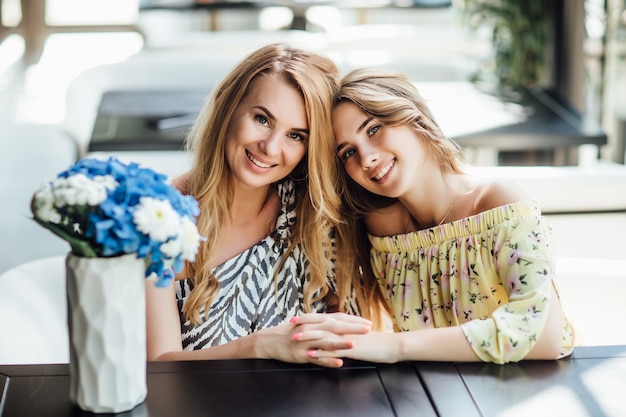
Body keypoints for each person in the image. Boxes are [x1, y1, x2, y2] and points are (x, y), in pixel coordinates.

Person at [296, 68, 576, 365]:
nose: (367, 159)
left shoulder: (497, 203)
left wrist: (396, 346)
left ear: (412, 116)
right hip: (433, 397)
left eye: (373, 129)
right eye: (348, 152)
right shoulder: (384, 228)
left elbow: (544, 335)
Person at [145, 44, 374, 367]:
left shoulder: (314, 212)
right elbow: (160, 367)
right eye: (262, 119)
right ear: (229, 105)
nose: (269, 148)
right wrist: (257, 346)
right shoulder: (154, 216)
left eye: (296, 136)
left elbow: (352, 342)